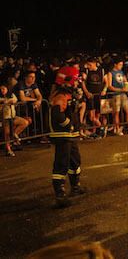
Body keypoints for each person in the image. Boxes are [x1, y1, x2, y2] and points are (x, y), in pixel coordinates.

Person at [49, 66, 86, 208]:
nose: (77, 83)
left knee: (75, 161)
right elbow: (57, 115)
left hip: (69, 135)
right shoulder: (60, 96)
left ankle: (75, 187)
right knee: (61, 164)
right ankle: (60, 195)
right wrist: (69, 125)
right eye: (75, 80)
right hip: (63, 135)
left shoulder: (67, 95)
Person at [106, 59, 128, 135]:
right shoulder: (111, 73)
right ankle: (117, 129)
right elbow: (109, 86)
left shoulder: (121, 72)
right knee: (116, 113)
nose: (121, 66)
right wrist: (120, 89)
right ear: (115, 64)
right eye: (120, 64)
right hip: (115, 95)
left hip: (123, 94)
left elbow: (126, 82)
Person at [1, 84, 29, 156]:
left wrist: (7, 101)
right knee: (7, 133)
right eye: (1, 89)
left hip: (13, 116)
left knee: (24, 122)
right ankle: (8, 149)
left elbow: (15, 100)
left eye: (4, 88)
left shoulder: (11, 94)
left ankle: (14, 134)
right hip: (5, 117)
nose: (2, 90)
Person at [82, 58, 107, 136]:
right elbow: (83, 82)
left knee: (97, 115)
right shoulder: (86, 71)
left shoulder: (101, 70)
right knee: (92, 117)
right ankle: (102, 127)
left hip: (99, 95)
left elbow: (106, 82)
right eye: (88, 64)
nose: (89, 66)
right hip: (91, 96)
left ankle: (95, 131)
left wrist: (105, 90)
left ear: (95, 63)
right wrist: (86, 92)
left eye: (90, 65)